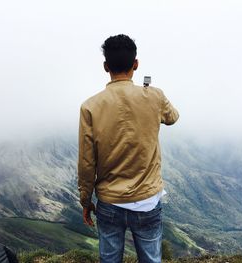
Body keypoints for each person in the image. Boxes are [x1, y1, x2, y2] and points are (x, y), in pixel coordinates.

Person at [77, 34, 179, 263]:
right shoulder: (154, 96)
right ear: (136, 64)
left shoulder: (90, 107)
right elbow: (173, 117)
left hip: (109, 201)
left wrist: (85, 201)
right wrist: (150, 97)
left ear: (106, 67)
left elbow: (86, 162)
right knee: (151, 259)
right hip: (147, 200)